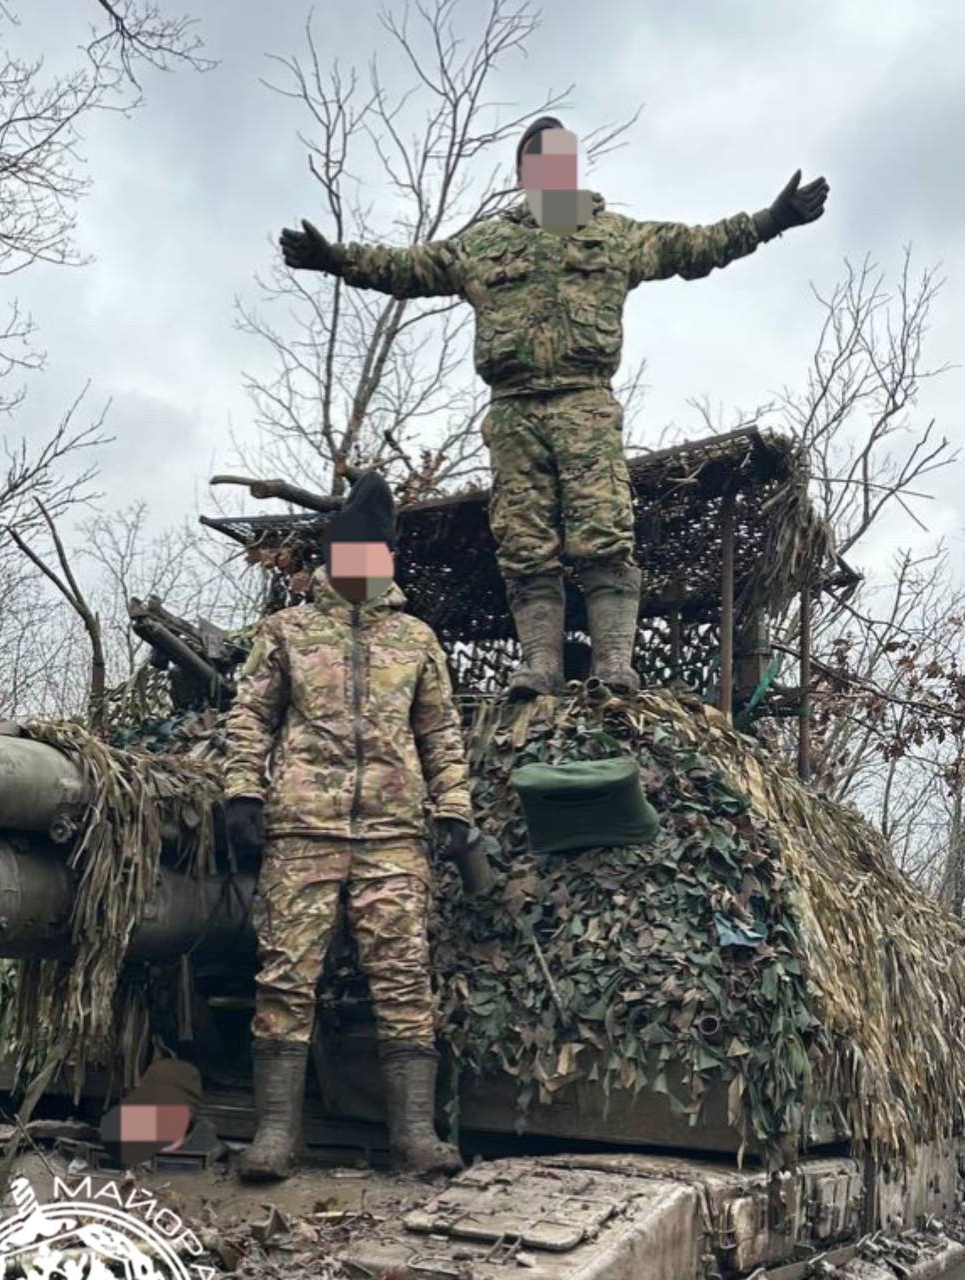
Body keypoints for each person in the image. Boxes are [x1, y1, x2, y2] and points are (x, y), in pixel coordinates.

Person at [280, 118, 829, 698]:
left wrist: (773, 220)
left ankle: (614, 664)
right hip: (513, 411)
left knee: (604, 531)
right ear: (521, 174)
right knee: (523, 541)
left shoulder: (611, 234)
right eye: (537, 159)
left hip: (585, 402)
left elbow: (695, 247)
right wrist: (334, 258)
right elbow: (409, 268)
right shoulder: (483, 245)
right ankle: (540, 665)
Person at [222, 471, 471, 1181]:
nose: (361, 564)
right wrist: (242, 792)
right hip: (303, 829)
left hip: (393, 836)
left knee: (401, 979)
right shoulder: (288, 633)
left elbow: (440, 735)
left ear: (388, 560)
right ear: (332, 558)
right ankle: (275, 1136)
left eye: (374, 552)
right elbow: (251, 717)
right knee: (285, 979)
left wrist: (453, 808)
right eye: (349, 551)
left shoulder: (417, 640)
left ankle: (414, 1138)